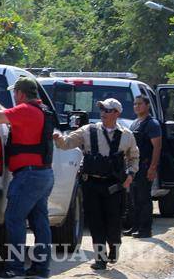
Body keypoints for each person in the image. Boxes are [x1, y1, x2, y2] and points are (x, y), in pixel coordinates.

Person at [54, 98, 139, 270]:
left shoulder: (126, 135)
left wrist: (130, 175)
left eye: (107, 110)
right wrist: (57, 138)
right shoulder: (87, 130)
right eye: (101, 110)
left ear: (116, 113)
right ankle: (100, 258)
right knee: (95, 222)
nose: (103, 113)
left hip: (114, 186)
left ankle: (114, 246)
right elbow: (67, 143)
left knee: (113, 221)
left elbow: (134, 158)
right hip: (91, 184)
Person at [0, 77, 55, 279]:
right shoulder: (39, 110)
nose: (14, 96)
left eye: (15, 93)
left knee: (14, 219)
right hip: (43, 174)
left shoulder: (25, 110)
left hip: (28, 176)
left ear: (21, 93)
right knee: (40, 222)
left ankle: (15, 268)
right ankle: (41, 269)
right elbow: (9, 115)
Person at [126, 95, 161, 238]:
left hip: (145, 165)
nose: (136, 106)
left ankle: (145, 229)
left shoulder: (152, 124)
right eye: (135, 104)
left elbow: (157, 147)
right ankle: (135, 227)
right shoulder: (135, 123)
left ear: (147, 106)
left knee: (144, 198)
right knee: (133, 198)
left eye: (140, 104)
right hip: (134, 166)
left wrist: (152, 168)